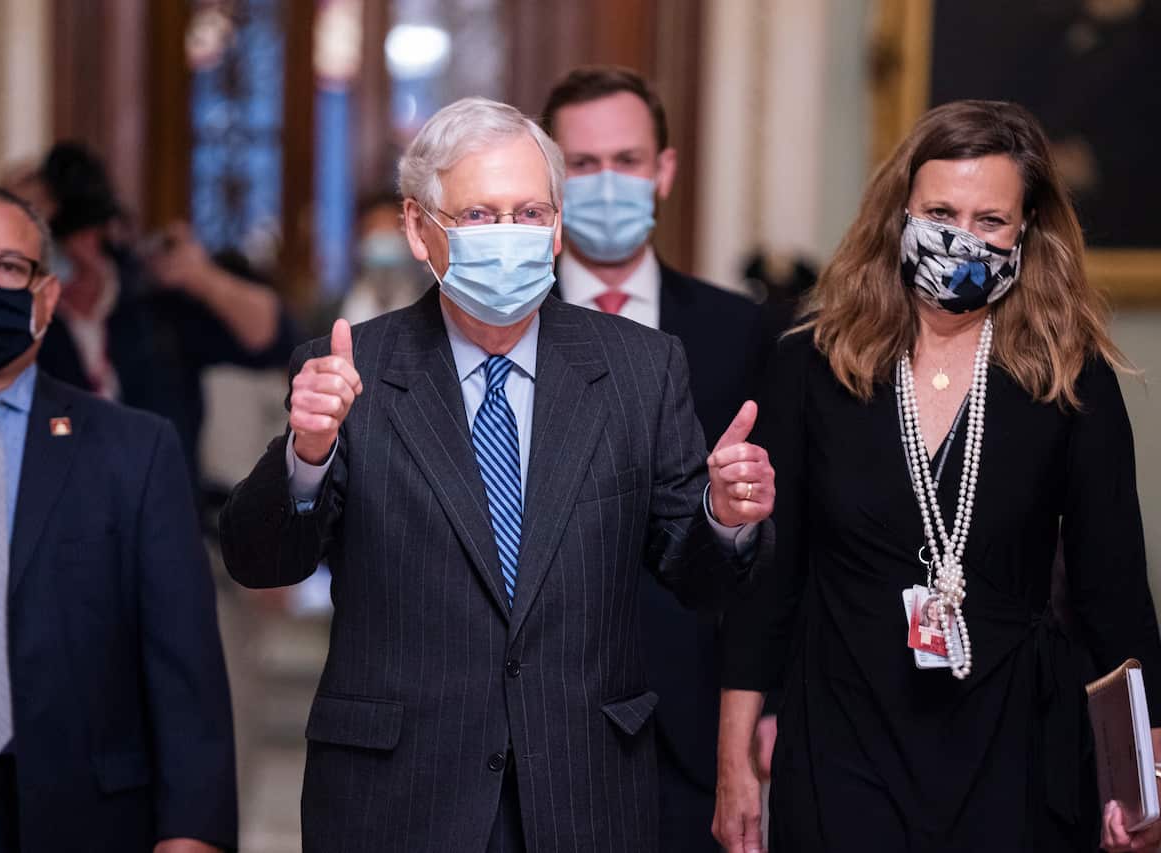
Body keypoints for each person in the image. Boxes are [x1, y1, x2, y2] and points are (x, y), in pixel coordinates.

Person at [220, 96, 775, 852]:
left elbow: (698, 580)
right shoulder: (355, 367)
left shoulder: (640, 368)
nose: (509, 236)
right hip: (396, 798)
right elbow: (260, 561)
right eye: (480, 216)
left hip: (584, 792)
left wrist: (725, 516)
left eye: (529, 212)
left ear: (555, 228)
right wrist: (307, 451)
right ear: (420, 230)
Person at [714, 99, 1161, 853]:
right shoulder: (812, 364)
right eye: (941, 211)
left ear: (1027, 232)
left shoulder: (1069, 375)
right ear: (900, 214)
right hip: (841, 739)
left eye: (991, 220)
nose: (962, 237)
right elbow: (769, 585)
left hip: (1014, 743)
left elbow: (1112, 592)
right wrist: (734, 762)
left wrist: (1141, 770)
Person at [0, 186, 238, 852]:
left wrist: (192, 833)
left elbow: (184, 669)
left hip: (83, 819)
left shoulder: (134, 449)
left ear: (45, 296)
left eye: (9, 267)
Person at [540, 65, 768, 851]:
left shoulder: (743, 333)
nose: (607, 182)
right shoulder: (502, 327)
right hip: (535, 724)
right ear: (552, 177)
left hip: (692, 725)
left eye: (627, 161)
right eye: (583, 163)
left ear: (663, 170)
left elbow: (773, 540)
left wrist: (762, 703)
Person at [17, 142, 300, 489]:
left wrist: (203, 278)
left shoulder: (152, 305)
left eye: (84, 232)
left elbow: (275, 337)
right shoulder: (25, 321)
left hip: (162, 500)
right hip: (61, 504)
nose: (78, 251)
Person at [337, 191, 429, 324]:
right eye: (376, 229)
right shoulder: (334, 310)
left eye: (391, 228)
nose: (384, 238)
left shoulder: (432, 308)